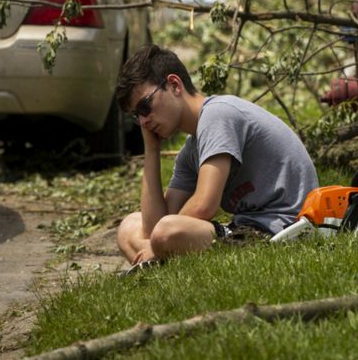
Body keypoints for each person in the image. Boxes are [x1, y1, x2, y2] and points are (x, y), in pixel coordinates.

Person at [114, 44, 318, 270]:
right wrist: (151, 150)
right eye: (136, 116)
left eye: (145, 106)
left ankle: (159, 259)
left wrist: (160, 240)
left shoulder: (217, 114)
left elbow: (204, 206)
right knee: (128, 226)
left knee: (167, 231)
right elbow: (153, 227)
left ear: (174, 85)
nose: (143, 121)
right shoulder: (190, 151)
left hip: (282, 230)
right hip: (245, 229)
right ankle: (160, 259)